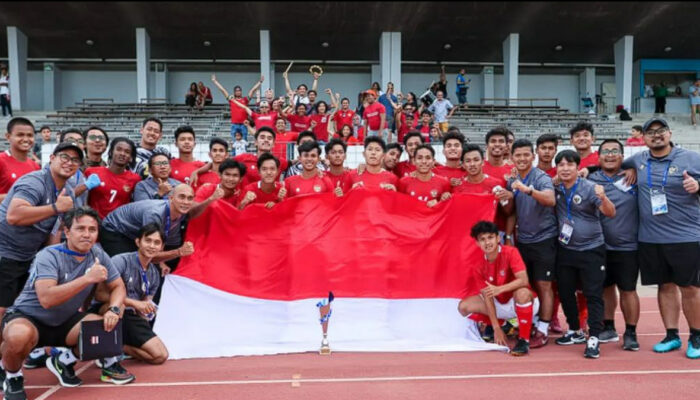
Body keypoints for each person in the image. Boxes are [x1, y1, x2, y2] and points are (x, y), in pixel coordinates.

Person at [0, 207, 135, 398]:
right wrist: (87, 279)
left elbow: (119, 287)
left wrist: (113, 309)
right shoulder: (48, 255)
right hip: (28, 318)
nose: (87, 234)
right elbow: (47, 299)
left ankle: (63, 360)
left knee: (103, 326)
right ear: (67, 231)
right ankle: (13, 377)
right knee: (18, 336)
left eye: (92, 230)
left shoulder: (97, 253)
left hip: (65, 321)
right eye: (81, 229)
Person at [621, 118, 700, 358]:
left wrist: (698, 185)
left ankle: (696, 336)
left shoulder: (691, 157)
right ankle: (672, 335)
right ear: (643, 138)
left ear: (670, 133)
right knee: (664, 287)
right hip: (651, 238)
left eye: (661, 131)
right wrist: (630, 168)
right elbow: (614, 164)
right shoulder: (639, 160)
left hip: (686, 237)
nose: (656, 135)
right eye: (650, 132)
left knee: (690, 288)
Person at [0, 142, 82, 325]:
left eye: (75, 160)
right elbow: (14, 216)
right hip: (5, 252)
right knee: (2, 308)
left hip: (27, 256)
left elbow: (56, 229)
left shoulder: (67, 192)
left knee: (16, 310)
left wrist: (52, 261)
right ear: (52, 158)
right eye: (65, 157)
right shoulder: (34, 181)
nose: (70, 162)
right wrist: (55, 207)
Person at [553, 150, 616, 359]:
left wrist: (603, 197)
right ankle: (574, 330)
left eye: (569, 164)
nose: (564, 168)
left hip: (592, 250)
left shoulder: (590, 188)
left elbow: (610, 212)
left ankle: (594, 337)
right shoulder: (556, 187)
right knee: (565, 291)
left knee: (592, 294)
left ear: (577, 167)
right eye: (560, 165)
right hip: (566, 249)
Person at [89, 223, 169, 366]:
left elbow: (143, 308)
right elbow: (99, 294)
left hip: (130, 317)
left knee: (160, 356)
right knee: (118, 307)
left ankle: (118, 346)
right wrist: (134, 303)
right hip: (105, 310)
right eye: (148, 240)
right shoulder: (121, 261)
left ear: (162, 247)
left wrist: (147, 311)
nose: (152, 246)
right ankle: (107, 353)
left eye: (157, 243)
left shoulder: (154, 274)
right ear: (138, 242)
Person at [588, 139, 641, 351]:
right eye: (606, 152)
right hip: (599, 246)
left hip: (628, 247)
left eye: (615, 151)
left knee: (628, 289)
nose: (610, 155)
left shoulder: (635, 177)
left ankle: (631, 332)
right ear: (598, 156)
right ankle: (608, 327)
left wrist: (633, 168)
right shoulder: (591, 178)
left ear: (622, 155)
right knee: (605, 288)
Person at [505, 139, 558, 348]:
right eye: (517, 155)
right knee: (526, 284)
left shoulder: (541, 177)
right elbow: (513, 211)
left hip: (545, 239)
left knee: (544, 285)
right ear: (512, 158)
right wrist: (509, 236)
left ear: (533, 157)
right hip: (523, 240)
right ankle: (532, 322)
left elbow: (550, 199)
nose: (522, 158)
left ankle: (543, 328)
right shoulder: (513, 179)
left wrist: (528, 190)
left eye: (526, 155)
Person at [458, 220, 538, 356]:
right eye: (482, 239)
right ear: (477, 243)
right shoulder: (478, 265)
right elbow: (487, 296)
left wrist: (500, 289)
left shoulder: (511, 252)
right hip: (499, 303)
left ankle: (524, 340)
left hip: (519, 301)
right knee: (463, 306)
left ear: (498, 238)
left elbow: (524, 280)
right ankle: (500, 325)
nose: (487, 242)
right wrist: (496, 328)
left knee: (522, 293)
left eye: (490, 237)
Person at [100, 184, 196, 265]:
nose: (186, 202)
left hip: (134, 233)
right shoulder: (155, 213)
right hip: (114, 229)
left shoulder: (181, 214)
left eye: (190, 198)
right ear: (171, 198)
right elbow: (147, 252)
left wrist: (163, 263)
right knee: (130, 265)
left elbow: (170, 243)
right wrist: (179, 252)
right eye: (182, 197)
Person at [85, 137, 140, 219]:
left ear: (131, 158)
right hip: (94, 223)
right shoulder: (91, 172)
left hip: (118, 225)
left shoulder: (135, 179)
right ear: (110, 152)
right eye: (119, 149)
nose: (122, 153)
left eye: (127, 152)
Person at [0, 118, 40, 202]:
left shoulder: (35, 166)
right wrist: (20, 196)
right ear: (8, 136)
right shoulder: (1, 161)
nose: (26, 139)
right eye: (20, 135)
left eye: (30, 135)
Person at [211, 74, 251, 141]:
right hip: (234, 124)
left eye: (239, 90)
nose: (238, 92)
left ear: (241, 91)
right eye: (236, 91)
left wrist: (260, 82)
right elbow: (223, 90)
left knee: (244, 142)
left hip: (244, 124)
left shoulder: (245, 100)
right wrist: (215, 81)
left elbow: (252, 91)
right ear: (234, 92)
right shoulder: (232, 100)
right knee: (234, 142)